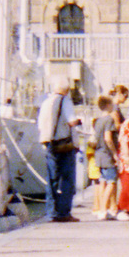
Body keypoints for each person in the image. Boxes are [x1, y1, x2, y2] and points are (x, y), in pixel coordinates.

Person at [37, 77, 81, 221]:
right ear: (67, 90)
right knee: (67, 179)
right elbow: (72, 121)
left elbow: (40, 125)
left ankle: (51, 212)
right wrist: (79, 121)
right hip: (64, 144)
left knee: (52, 179)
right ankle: (64, 212)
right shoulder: (65, 101)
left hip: (49, 143)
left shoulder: (46, 102)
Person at [90, 94, 119, 220]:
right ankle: (103, 210)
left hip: (99, 154)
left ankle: (102, 208)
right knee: (112, 182)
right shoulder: (109, 120)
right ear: (108, 105)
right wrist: (114, 153)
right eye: (112, 104)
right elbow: (108, 138)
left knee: (102, 181)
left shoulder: (97, 121)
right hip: (107, 154)